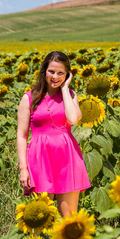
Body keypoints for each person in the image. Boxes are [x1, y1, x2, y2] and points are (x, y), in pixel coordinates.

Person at [17, 51, 91, 217]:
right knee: (41, 217)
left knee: (69, 219)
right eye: (51, 72)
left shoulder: (70, 96)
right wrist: (23, 169)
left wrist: (65, 89)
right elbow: (22, 136)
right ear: (44, 71)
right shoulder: (29, 98)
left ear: (67, 75)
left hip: (67, 159)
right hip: (40, 160)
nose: (55, 77)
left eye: (61, 73)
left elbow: (72, 119)